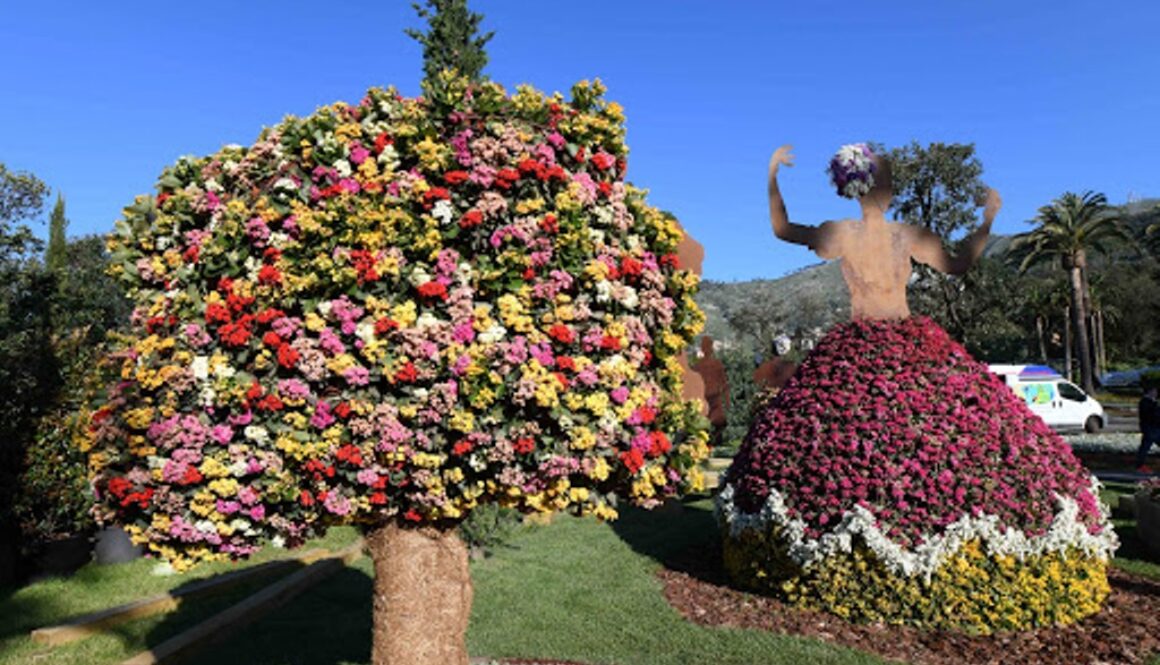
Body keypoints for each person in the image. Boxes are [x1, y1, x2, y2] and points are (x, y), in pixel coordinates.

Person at [767, 144, 1001, 320]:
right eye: (888, 183)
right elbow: (958, 264)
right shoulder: (904, 235)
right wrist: (987, 220)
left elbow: (784, 229)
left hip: (870, 342)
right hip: (894, 340)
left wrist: (772, 177)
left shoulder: (844, 234)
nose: (891, 190)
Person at [1136, 384, 1160, 473]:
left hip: (1153, 429)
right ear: (1150, 392)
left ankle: (1140, 465)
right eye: (1155, 391)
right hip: (1151, 429)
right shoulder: (1146, 402)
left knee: (1144, 448)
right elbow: (1151, 416)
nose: (1156, 393)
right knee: (1144, 448)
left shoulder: (1150, 402)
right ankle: (1140, 465)